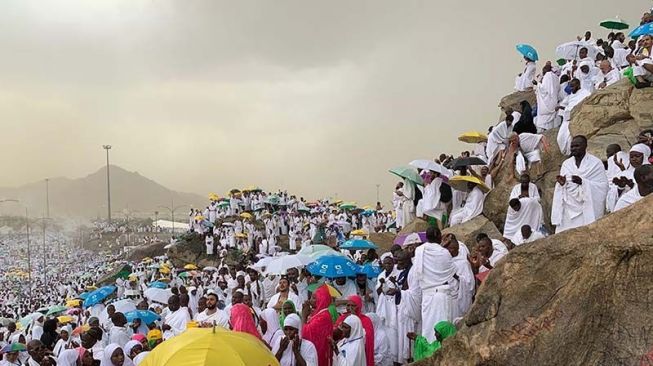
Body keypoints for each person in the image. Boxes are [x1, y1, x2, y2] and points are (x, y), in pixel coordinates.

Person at [551, 136, 608, 233]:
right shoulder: (566, 164)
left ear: (585, 146)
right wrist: (562, 183)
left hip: (587, 205)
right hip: (568, 206)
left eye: (577, 146)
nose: (573, 148)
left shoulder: (596, 163)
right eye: (572, 146)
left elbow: (603, 186)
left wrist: (583, 182)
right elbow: (564, 185)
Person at [413, 227, 457, 343]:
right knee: (442, 330)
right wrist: (442, 247)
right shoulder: (444, 252)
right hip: (441, 295)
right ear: (439, 236)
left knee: (428, 329)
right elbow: (452, 271)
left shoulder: (419, 250)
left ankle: (427, 354)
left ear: (426, 237)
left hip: (427, 296)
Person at [606, 144, 651, 212]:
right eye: (631, 157)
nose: (634, 159)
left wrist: (633, 186)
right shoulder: (624, 174)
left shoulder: (650, 173)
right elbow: (611, 197)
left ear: (644, 156)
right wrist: (620, 188)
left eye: (637, 156)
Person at [441, 234, 475, 318]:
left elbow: (469, 283)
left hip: (458, 297)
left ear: (457, 249)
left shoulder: (463, 263)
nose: (450, 251)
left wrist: (457, 277)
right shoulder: (445, 262)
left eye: (452, 249)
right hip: (447, 296)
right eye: (449, 249)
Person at [334, 295, 374, 366]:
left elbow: (368, 338)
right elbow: (335, 334)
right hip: (343, 351)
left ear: (359, 306)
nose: (350, 308)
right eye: (348, 305)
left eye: (353, 306)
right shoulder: (342, 318)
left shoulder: (366, 320)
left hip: (359, 352)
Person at [556, 79, 592, 155]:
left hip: (576, 119)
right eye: (570, 86)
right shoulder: (571, 95)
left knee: (571, 138)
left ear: (578, 85)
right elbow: (565, 104)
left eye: (573, 86)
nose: (571, 88)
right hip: (567, 119)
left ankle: (571, 154)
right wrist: (560, 107)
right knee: (560, 138)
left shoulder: (585, 93)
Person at [301, 285, 334, 366]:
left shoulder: (323, 317)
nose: (310, 300)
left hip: (319, 354)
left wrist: (304, 316)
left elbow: (305, 333)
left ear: (321, 299)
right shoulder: (320, 313)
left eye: (314, 298)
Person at [534, 64, 561, 131]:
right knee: (551, 123)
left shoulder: (547, 76)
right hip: (554, 101)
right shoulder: (556, 77)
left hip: (547, 103)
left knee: (543, 122)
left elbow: (544, 90)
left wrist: (537, 84)